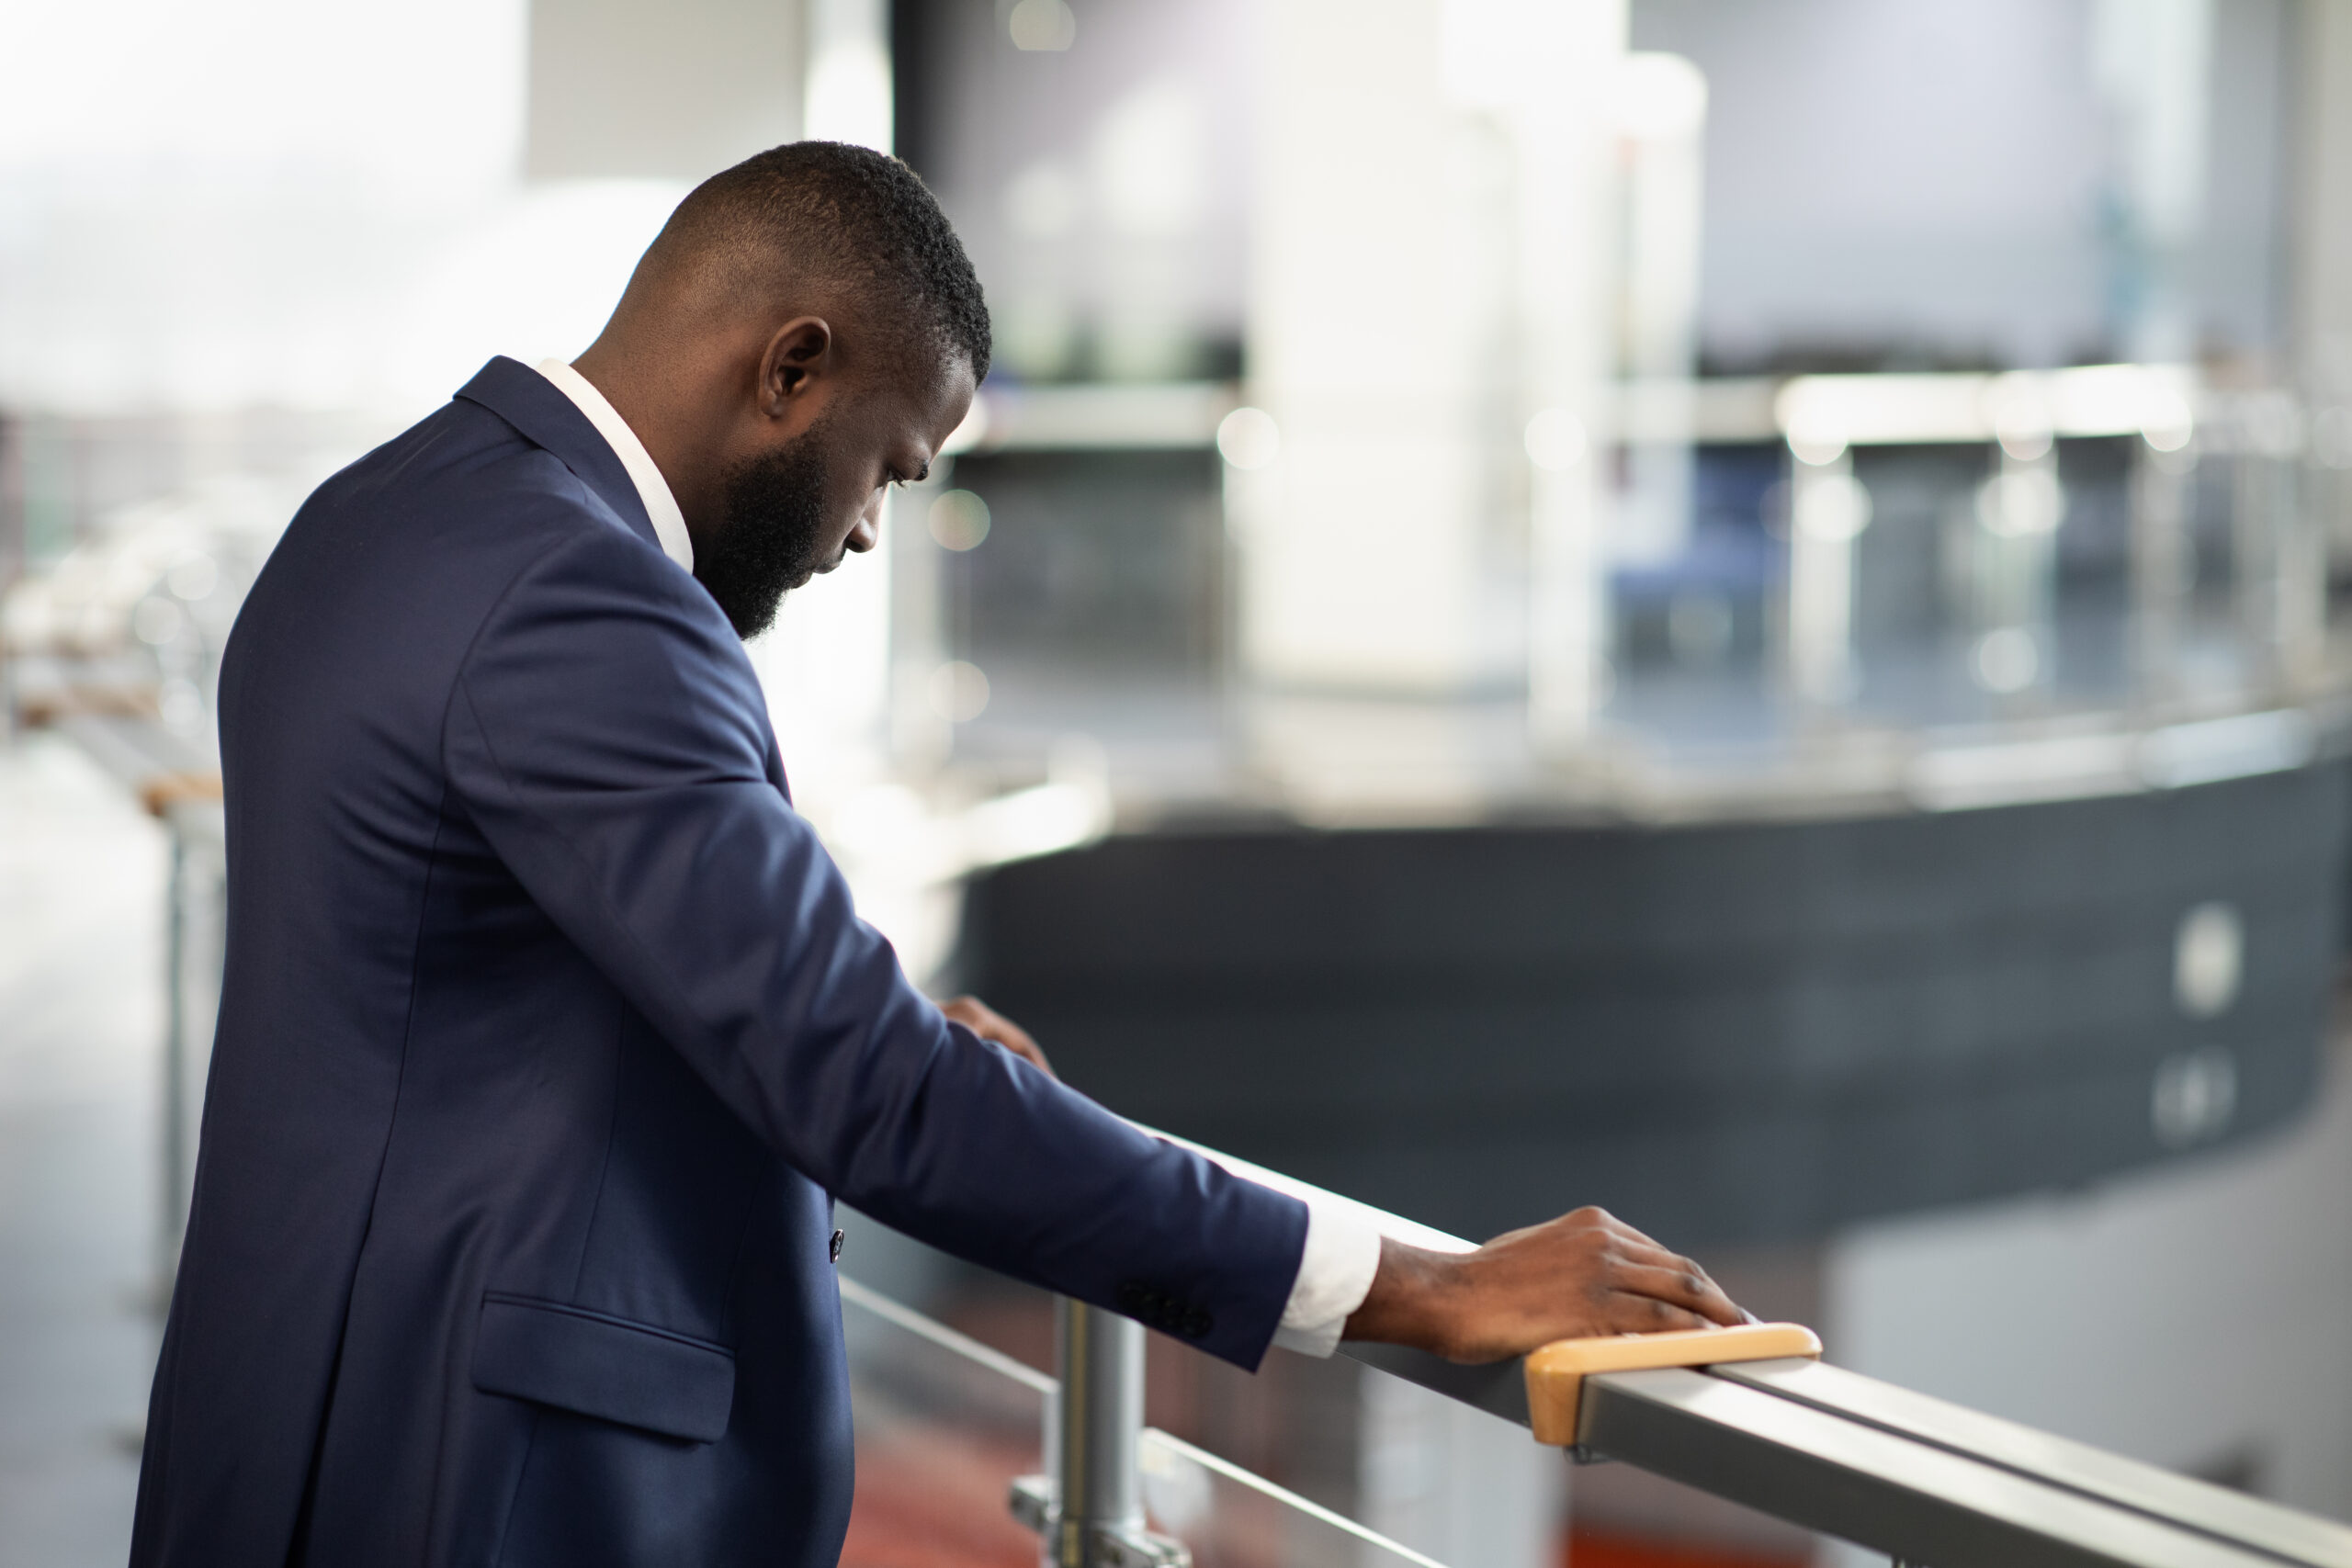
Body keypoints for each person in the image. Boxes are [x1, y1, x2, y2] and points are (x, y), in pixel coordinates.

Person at [130, 142, 1741, 1568]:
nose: (864, 532)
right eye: (890, 465)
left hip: (303, 1426)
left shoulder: (387, 512)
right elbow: (873, 1093)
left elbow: (462, 982)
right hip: (483, 1491)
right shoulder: (588, 602)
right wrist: (1414, 1285)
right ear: (794, 368)